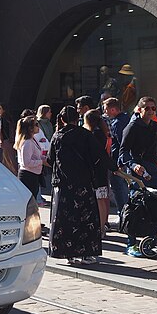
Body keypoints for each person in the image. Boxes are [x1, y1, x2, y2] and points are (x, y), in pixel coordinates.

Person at [48, 105, 107, 265]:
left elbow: (50, 159)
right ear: (77, 119)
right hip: (84, 183)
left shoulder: (57, 137)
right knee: (86, 218)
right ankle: (88, 252)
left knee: (66, 219)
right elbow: (98, 156)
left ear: (61, 119)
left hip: (64, 185)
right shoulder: (86, 135)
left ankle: (69, 254)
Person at [119, 97, 157, 257]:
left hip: (153, 170)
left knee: (155, 204)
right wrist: (133, 165)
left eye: (153, 108)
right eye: (147, 108)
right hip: (137, 172)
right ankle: (131, 243)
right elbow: (123, 152)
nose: (151, 111)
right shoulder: (132, 127)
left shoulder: (156, 127)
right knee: (136, 205)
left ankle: (152, 241)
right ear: (139, 110)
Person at [83, 109, 113, 236]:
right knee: (102, 198)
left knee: (99, 199)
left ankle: (100, 228)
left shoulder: (94, 134)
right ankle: (103, 225)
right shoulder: (103, 132)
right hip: (102, 168)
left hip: (96, 170)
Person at [103, 97, 130, 213]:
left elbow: (119, 144)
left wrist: (116, 162)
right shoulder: (127, 119)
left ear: (113, 109)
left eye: (106, 109)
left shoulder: (118, 123)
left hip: (119, 160)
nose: (105, 112)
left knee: (119, 188)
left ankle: (123, 213)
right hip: (125, 159)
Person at [15, 117, 46, 200]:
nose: (38, 126)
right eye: (36, 125)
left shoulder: (33, 140)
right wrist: (41, 162)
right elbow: (26, 163)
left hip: (34, 175)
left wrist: (44, 158)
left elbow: (36, 155)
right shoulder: (27, 142)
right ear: (30, 128)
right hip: (28, 176)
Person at [0, 104, 18, 174]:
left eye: (0, 108)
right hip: (10, 140)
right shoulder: (9, 118)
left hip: (6, 140)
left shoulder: (2, 119)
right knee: (10, 158)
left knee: (8, 159)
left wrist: (1, 140)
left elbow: (1, 130)